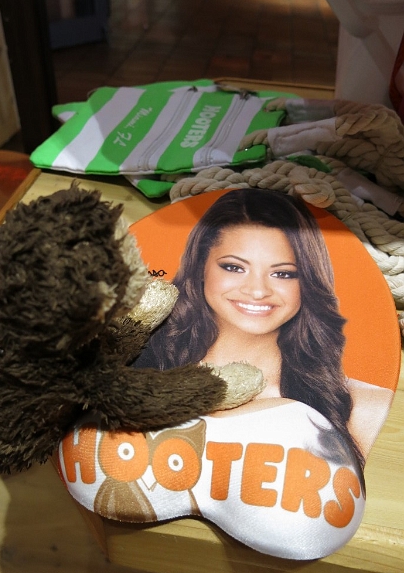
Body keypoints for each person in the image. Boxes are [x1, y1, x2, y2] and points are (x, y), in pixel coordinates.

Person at [133, 188, 393, 467]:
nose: (258, 291)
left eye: (282, 273)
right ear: (201, 267)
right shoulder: (136, 366)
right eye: (234, 267)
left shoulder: (364, 407)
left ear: (306, 282)